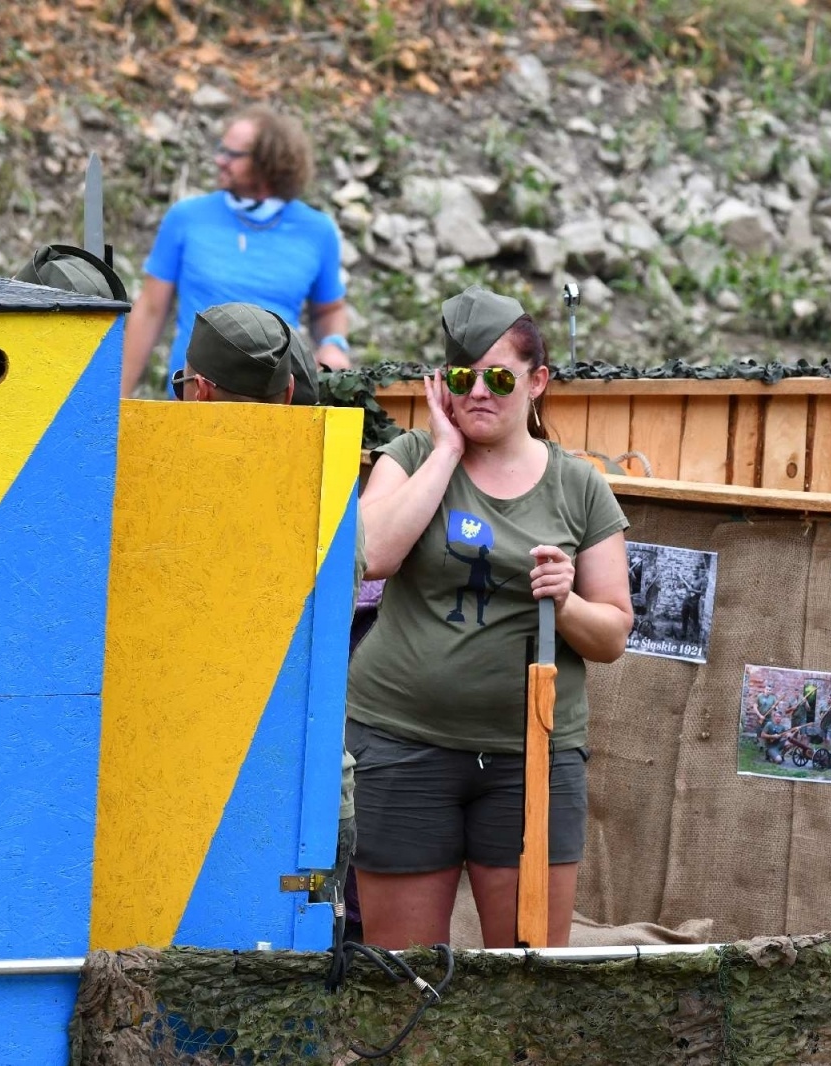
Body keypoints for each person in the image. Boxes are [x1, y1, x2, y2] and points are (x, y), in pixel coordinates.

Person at [346, 285, 633, 950]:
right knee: (401, 980)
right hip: (401, 743)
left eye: (498, 376)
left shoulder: (580, 485)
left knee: (526, 982)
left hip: (530, 757)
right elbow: (374, 555)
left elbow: (613, 633)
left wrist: (565, 602)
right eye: (461, 376)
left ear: (537, 382)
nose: (479, 391)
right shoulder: (413, 456)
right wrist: (445, 450)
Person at [170, 301, 361, 942]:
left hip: (184, 793)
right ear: (287, 393)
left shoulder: (154, 486)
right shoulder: (326, 493)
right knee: (294, 969)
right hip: (304, 795)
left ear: (197, 390)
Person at [120, 106, 353, 399]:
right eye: (221, 150)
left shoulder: (317, 231)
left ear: (269, 162)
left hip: (276, 407)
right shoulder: (186, 217)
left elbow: (329, 310)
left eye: (232, 155)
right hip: (193, 402)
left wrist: (334, 343)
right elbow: (151, 310)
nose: (219, 160)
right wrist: (116, 400)